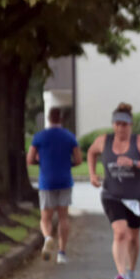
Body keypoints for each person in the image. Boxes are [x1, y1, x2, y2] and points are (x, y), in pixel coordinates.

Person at [87, 103, 140, 279]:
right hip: (112, 195)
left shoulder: (139, 141)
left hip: (135, 198)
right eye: (117, 124)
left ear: (130, 125)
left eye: (124, 125)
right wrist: (92, 174)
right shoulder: (104, 140)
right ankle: (121, 275)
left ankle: (132, 273)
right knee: (120, 232)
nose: (120, 128)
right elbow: (91, 152)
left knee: (133, 238)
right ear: (113, 125)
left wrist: (133, 162)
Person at [26, 107, 82, 264]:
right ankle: (62, 252)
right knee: (63, 217)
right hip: (64, 180)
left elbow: (29, 160)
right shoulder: (69, 137)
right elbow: (78, 160)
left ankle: (48, 237)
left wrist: (41, 161)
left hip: (46, 181)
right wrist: (67, 164)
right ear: (61, 119)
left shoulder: (39, 137)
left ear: (49, 118)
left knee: (46, 218)